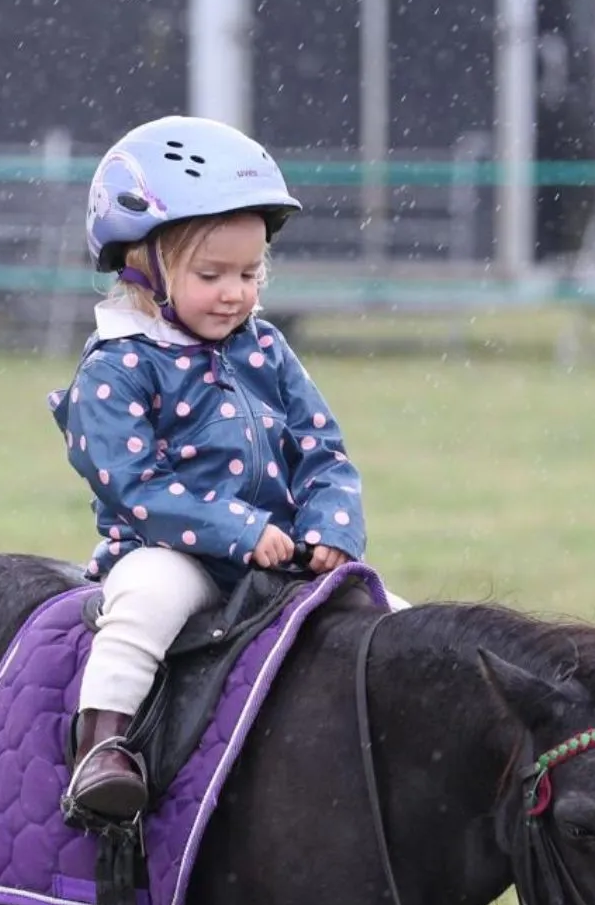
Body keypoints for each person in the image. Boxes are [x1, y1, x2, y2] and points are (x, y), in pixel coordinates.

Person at [50, 115, 366, 824]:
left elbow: (322, 448)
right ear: (143, 267)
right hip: (169, 552)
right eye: (211, 274)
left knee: (389, 622)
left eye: (251, 274)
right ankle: (104, 749)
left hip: (283, 554)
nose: (235, 293)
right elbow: (136, 488)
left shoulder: (267, 349)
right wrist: (237, 529)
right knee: (142, 608)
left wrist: (330, 526)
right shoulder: (116, 368)